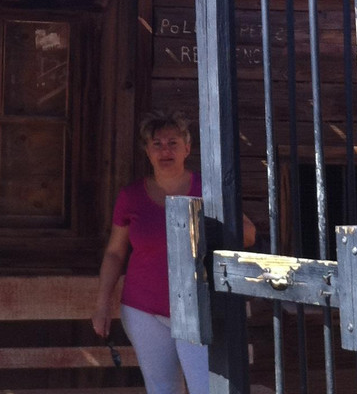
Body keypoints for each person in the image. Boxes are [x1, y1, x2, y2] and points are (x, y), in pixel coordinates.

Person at [92, 110, 255, 394]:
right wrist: (102, 304)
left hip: (198, 309)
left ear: (187, 149)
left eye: (173, 143)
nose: (165, 150)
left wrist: (211, 227)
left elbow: (249, 234)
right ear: (147, 151)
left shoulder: (208, 189)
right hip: (143, 310)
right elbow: (115, 254)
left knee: (206, 388)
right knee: (162, 389)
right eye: (157, 144)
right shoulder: (131, 197)